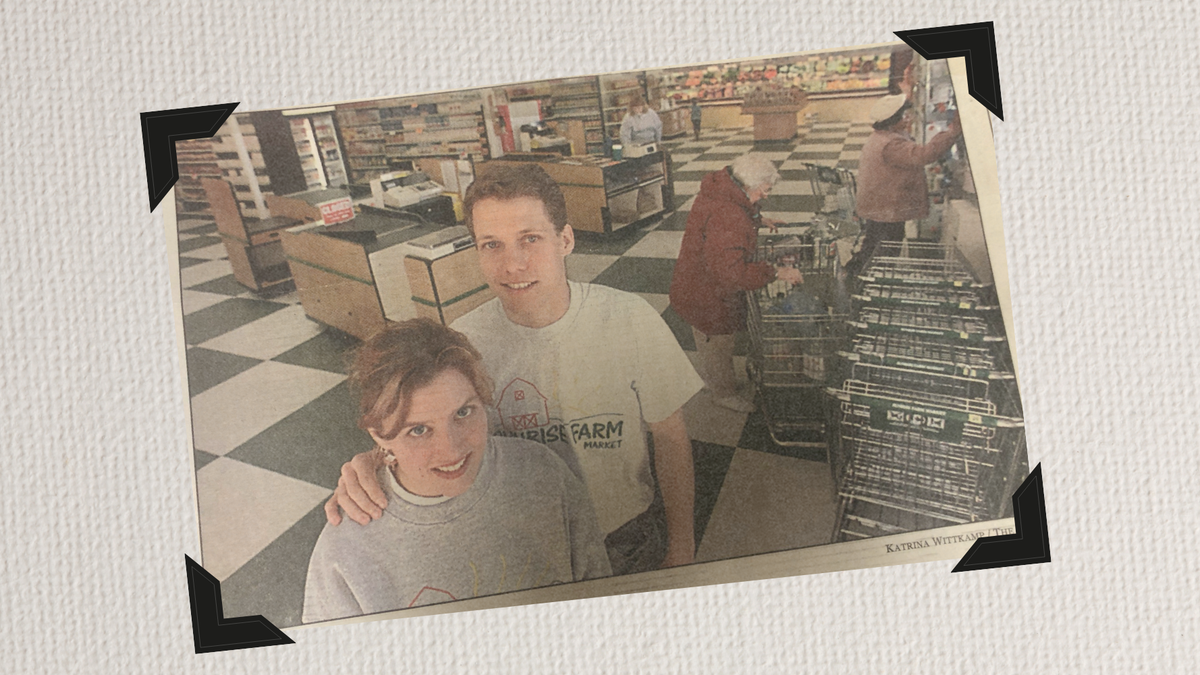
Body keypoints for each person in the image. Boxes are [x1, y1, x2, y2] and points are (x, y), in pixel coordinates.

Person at [325, 163, 705, 576]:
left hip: (627, 535)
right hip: (517, 542)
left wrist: (682, 548)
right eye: (492, 245)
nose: (513, 265)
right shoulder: (460, 345)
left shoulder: (631, 319)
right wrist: (376, 460)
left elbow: (669, 437)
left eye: (530, 239)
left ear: (565, 239)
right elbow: (429, 430)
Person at [302, 319, 610, 623]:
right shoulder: (344, 549)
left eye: (464, 412)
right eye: (419, 430)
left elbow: (601, 595)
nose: (451, 450)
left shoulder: (543, 471)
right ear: (379, 434)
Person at [669, 154, 803, 413]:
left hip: (696, 282)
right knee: (718, 343)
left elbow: (731, 217)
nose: (765, 195)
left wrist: (758, 220)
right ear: (748, 184)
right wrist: (776, 272)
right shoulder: (729, 216)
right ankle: (723, 393)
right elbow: (731, 273)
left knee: (710, 342)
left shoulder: (721, 190)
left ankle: (715, 380)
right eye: (764, 189)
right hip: (707, 294)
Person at [843, 94, 962, 278]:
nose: (907, 118)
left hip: (878, 204)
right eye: (903, 116)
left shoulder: (882, 137)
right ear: (891, 121)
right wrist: (952, 133)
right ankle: (873, 281)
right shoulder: (891, 144)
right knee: (887, 248)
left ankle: (856, 274)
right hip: (887, 207)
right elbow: (923, 155)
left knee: (873, 242)